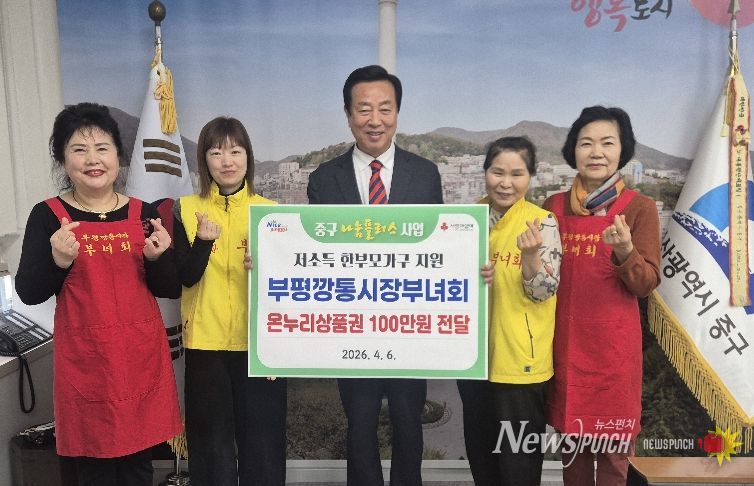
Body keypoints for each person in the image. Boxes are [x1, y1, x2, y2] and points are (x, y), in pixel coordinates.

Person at [15, 102, 182, 486]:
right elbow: (28, 292)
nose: (93, 159)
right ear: (63, 159)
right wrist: (58, 261)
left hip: (139, 363)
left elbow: (169, 288)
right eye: (79, 149)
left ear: (118, 156)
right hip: (87, 366)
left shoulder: (145, 212)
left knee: (138, 469)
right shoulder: (48, 215)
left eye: (102, 148)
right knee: (93, 471)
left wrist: (157, 259)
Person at [307, 64, 443, 486]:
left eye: (385, 108)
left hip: (409, 326)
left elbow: (441, 248)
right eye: (364, 109)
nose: (375, 119)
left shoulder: (426, 174)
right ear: (348, 115)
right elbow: (312, 254)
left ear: (397, 112)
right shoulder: (323, 180)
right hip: (353, 328)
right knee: (360, 425)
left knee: (408, 422)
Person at [544, 106, 660, 486]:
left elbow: (646, 283)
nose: (596, 152)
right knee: (574, 456)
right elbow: (539, 279)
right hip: (565, 350)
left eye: (607, 143)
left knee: (613, 460)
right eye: (586, 143)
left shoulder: (640, 208)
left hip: (614, 356)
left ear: (622, 150)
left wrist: (626, 251)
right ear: (572, 150)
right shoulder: (553, 207)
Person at [173, 116, 287, 486]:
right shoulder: (184, 209)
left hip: (260, 346)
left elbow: (293, 282)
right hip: (205, 344)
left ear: (248, 157)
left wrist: (268, 266)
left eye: (235, 151)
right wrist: (203, 242)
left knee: (263, 445)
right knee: (211, 448)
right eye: (216, 152)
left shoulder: (272, 212)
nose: (227, 161)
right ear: (204, 160)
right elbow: (183, 278)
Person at [457, 136, 561, 486]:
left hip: (519, 365)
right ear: (485, 172)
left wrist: (530, 257)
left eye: (517, 174)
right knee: (482, 462)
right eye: (497, 172)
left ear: (530, 177)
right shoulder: (466, 220)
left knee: (518, 469)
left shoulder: (542, 222)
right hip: (473, 363)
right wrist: (470, 276)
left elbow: (543, 292)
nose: (505, 182)